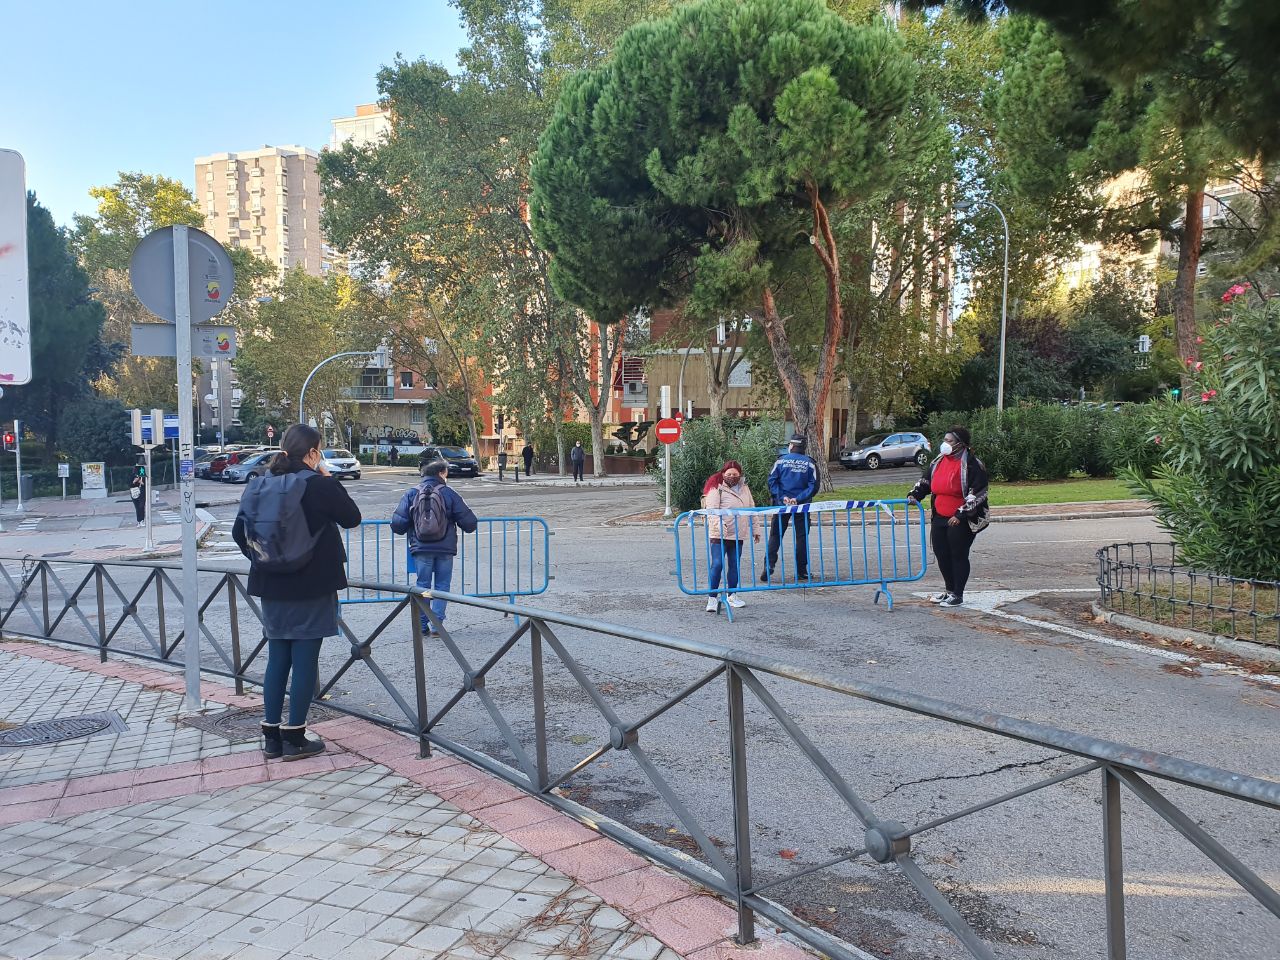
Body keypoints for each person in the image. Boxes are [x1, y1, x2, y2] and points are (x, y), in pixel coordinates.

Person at [233, 424, 362, 761]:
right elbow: (352, 517)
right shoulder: (318, 485)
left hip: (270, 585)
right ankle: (295, 737)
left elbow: (238, 533)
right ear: (313, 452)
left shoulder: (261, 483)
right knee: (305, 661)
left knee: (278, 658)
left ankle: (271, 737)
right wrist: (327, 477)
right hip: (312, 585)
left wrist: (268, 561)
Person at [392, 459, 479, 637]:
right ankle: (436, 625)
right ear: (441, 473)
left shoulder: (412, 493)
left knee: (423, 586)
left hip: (421, 548)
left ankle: (421, 624)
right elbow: (470, 523)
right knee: (441, 586)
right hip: (445, 549)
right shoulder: (449, 493)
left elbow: (398, 525)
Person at [907, 426, 989, 608]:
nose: (945, 444)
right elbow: (926, 482)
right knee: (942, 554)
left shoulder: (972, 464)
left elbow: (978, 493)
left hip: (961, 518)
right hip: (940, 516)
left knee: (958, 554)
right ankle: (949, 590)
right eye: (945, 440)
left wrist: (960, 514)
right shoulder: (938, 461)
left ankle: (958, 594)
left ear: (961, 444)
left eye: (950, 441)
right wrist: (915, 495)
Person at [702, 460, 759, 613]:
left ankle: (732, 595)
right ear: (723, 474)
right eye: (729, 474)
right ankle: (712, 598)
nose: (732, 476)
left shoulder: (745, 488)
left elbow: (751, 509)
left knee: (734, 565)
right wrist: (719, 525)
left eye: (735, 474)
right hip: (719, 534)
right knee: (717, 564)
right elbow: (712, 511)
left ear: (740, 475)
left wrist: (756, 529)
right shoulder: (716, 487)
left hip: (738, 534)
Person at [761, 435, 819, 582]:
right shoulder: (810, 463)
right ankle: (801, 571)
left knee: (775, 535)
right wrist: (798, 499)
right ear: (804, 447)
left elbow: (772, 481)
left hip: (781, 505)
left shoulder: (780, 461)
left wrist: (782, 498)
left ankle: (769, 566)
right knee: (801, 537)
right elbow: (813, 486)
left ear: (791, 446)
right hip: (802, 506)